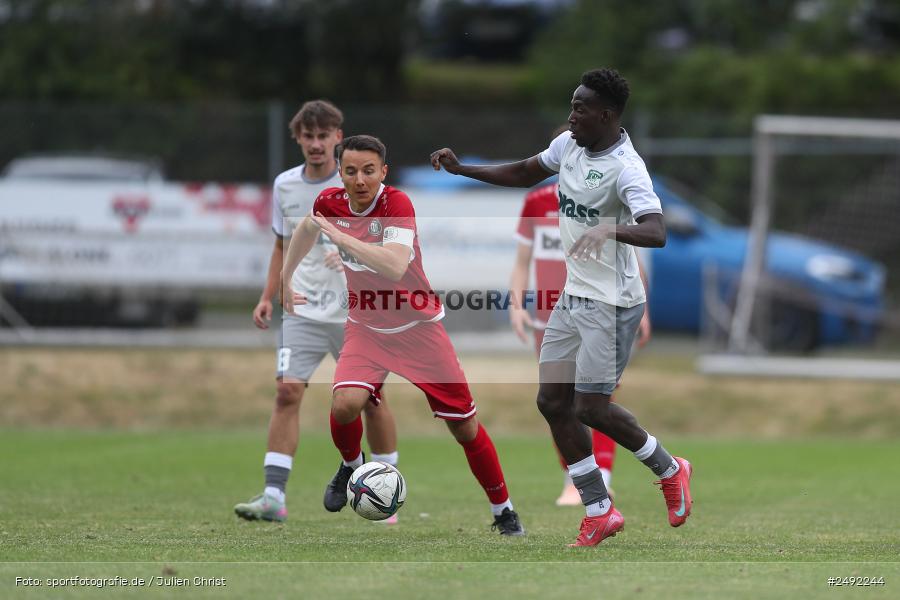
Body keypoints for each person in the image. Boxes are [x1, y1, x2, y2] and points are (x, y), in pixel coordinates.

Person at [431, 68, 692, 547]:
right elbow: (524, 172)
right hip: (573, 298)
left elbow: (657, 231)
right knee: (552, 401)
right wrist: (462, 169)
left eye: (580, 107)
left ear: (607, 115)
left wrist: (611, 229)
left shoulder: (626, 168)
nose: (571, 115)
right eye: (571, 104)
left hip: (612, 304)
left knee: (591, 408)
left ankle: (671, 468)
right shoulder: (570, 145)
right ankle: (599, 509)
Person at [282, 134, 525, 535]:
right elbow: (310, 226)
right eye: (350, 171)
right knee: (344, 404)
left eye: (368, 171)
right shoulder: (329, 202)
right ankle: (351, 468)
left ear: (383, 172)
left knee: (465, 427)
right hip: (366, 328)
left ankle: (504, 510)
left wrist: (341, 238)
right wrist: (284, 277)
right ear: (340, 172)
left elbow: (394, 266)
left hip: (418, 331)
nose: (359, 179)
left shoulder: (397, 204)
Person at [234, 101, 399, 523]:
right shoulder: (285, 186)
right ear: (297, 139)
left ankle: (387, 485)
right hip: (303, 311)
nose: (315, 144)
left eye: (323, 135)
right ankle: (273, 495)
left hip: (356, 313)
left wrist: (348, 251)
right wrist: (268, 294)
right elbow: (281, 243)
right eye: (307, 136)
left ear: (337, 138)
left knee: (371, 400)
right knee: (287, 392)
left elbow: (389, 246)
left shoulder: (361, 182)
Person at [510, 152, 653, 505]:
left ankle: (602, 478)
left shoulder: (605, 196)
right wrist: (516, 305)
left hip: (601, 306)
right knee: (556, 398)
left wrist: (643, 308)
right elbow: (522, 262)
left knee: (597, 396)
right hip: (552, 314)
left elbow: (628, 255)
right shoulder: (536, 202)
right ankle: (573, 480)